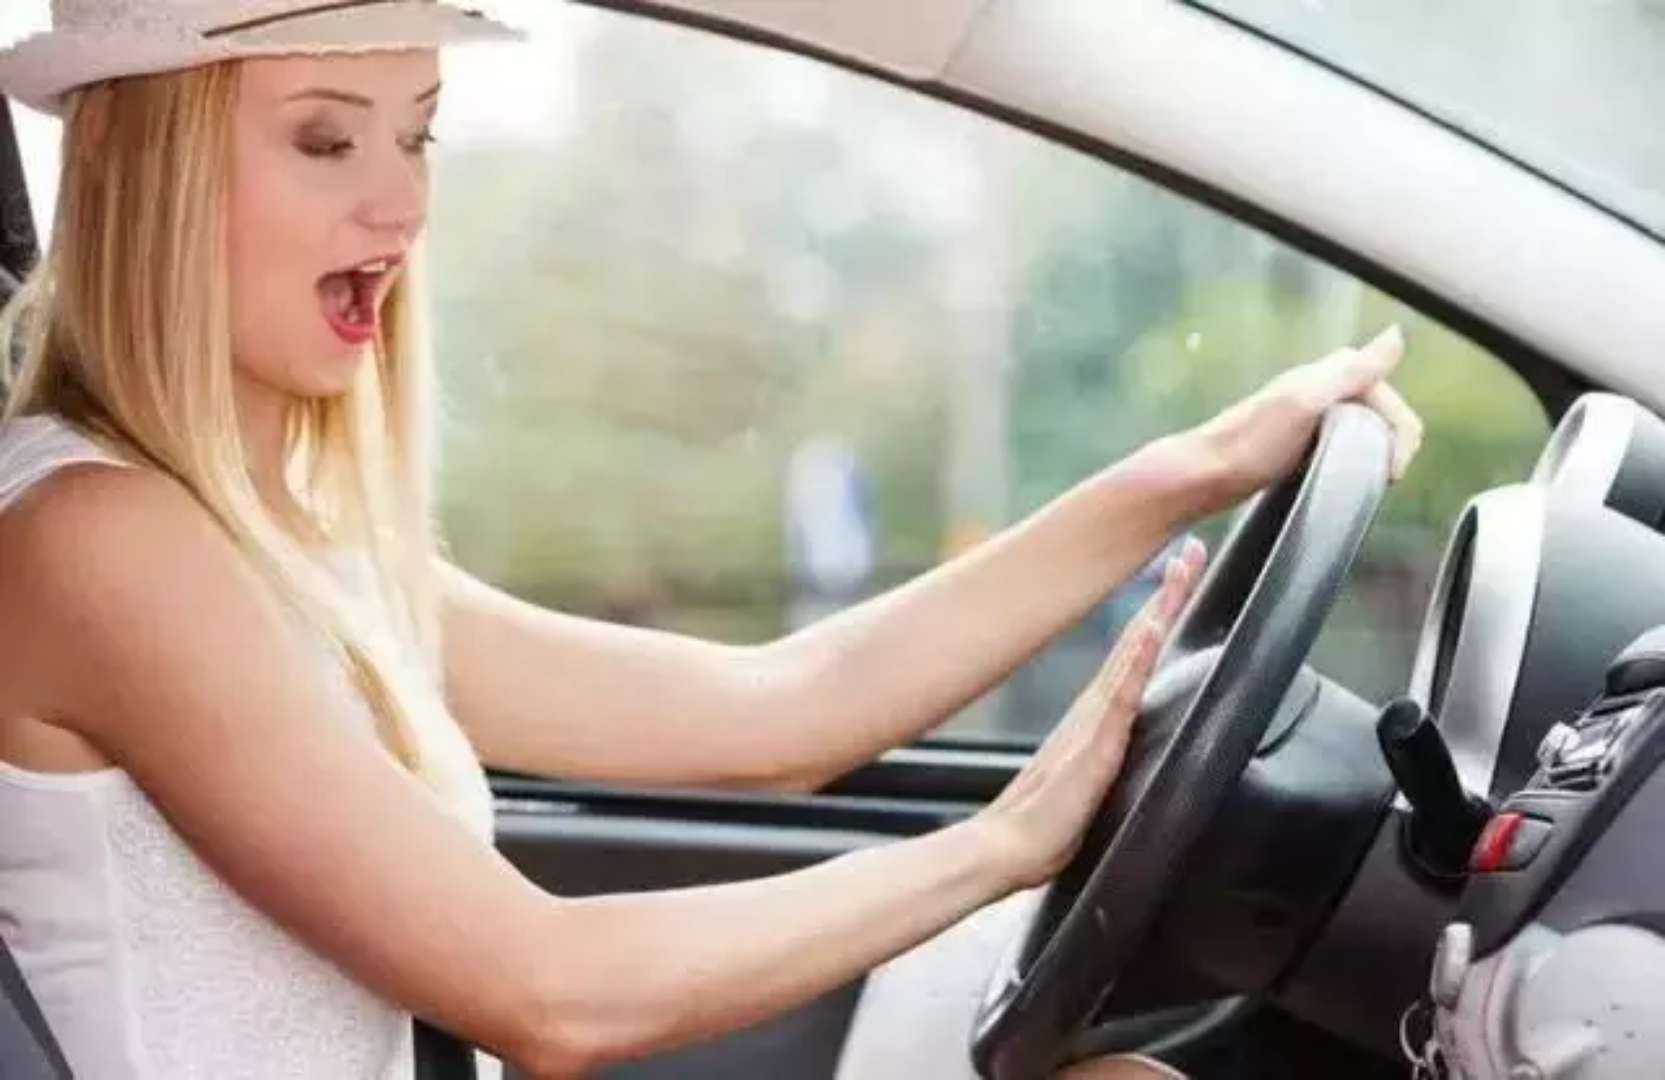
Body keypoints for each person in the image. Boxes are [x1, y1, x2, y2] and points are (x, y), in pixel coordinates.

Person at [0, 3, 1422, 1077]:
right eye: (325, 140)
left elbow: (780, 710)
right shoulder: (97, 541)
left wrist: (1192, 472)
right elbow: (548, 991)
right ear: (145, 164)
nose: (403, 202)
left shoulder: (280, 547)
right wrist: (998, 845)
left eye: (416, 132)